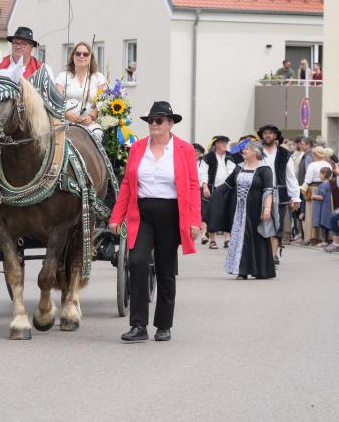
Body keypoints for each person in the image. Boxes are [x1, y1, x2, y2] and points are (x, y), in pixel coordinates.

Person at [109, 101, 201, 342]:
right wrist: (117, 216)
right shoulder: (138, 148)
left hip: (171, 214)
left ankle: (163, 325)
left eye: (159, 120)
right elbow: (128, 184)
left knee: (165, 269)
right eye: (150, 120)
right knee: (137, 262)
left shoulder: (184, 149)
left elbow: (192, 186)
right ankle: (138, 325)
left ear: (171, 124)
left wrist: (194, 220)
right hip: (142, 213)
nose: (153, 124)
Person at [219, 140, 276, 280]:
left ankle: (260, 270)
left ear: (256, 152)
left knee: (256, 237)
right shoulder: (239, 167)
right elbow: (227, 185)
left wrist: (267, 208)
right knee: (241, 238)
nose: (243, 151)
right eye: (244, 149)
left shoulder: (264, 169)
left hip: (256, 209)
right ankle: (242, 270)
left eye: (246, 150)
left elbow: (268, 191)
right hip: (239, 210)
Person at [257, 124, 299, 263]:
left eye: (271, 133)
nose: (268, 135)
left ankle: (273, 255)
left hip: (279, 193)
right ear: (262, 135)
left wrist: (295, 197)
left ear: (275, 136)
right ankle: (263, 254)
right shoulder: (256, 151)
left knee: (277, 225)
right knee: (261, 223)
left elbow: (291, 176)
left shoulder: (284, 153)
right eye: (265, 133)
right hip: (259, 193)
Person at [55, 42, 107, 139]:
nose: (81, 56)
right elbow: (56, 100)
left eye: (85, 54)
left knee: (97, 135)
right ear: (73, 56)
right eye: (78, 53)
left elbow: (102, 103)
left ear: (90, 57)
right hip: (66, 123)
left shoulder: (99, 78)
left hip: (91, 124)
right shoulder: (63, 76)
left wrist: (91, 117)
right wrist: (66, 114)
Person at [200, 136, 236, 249]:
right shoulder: (208, 157)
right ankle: (212, 240)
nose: (225, 144)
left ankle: (227, 239)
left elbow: (233, 171)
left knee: (228, 212)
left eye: (226, 143)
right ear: (216, 144)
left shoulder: (231, 156)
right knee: (212, 214)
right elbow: (203, 173)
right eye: (222, 143)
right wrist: (205, 187)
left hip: (228, 188)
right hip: (213, 188)